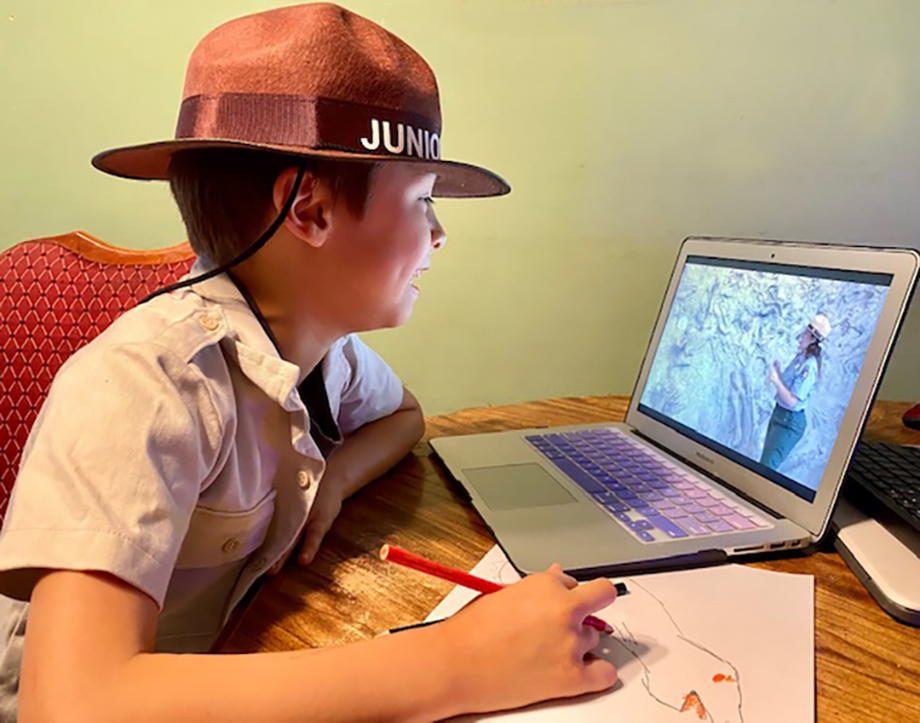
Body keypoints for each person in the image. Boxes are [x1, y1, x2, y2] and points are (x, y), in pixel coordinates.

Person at [0, 5, 619, 721]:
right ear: (309, 209)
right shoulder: (143, 383)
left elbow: (404, 416)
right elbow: (70, 704)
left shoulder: (319, 352)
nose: (440, 234)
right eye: (422, 201)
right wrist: (457, 660)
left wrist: (334, 479)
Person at [759, 314, 832, 471]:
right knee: (764, 463)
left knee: (766, 467)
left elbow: (793, 401)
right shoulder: (801, 357)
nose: (801, 336)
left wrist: (776, 381)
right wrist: (777, 372)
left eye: (806, 333)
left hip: (789, 422)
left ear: (813, 338)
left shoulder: (809, 366)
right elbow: (788, 388)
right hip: (780, 413)